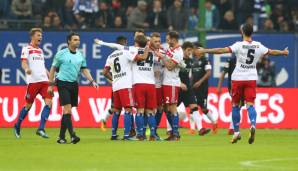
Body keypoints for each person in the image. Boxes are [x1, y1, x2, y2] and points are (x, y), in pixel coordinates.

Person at [200, 23, 289, 144]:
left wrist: (205, 50)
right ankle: (252, 124)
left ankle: (236, 133)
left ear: (242, 32)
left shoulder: (238, 45)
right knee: (250, 105)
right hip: (251, 78)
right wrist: (283, 52)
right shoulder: (258, 46)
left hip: (238, 78)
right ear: (252, 33)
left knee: (235, 106)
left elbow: (221, 50)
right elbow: (272, 52)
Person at [48, 32, 98, 144]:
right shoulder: (61, 54)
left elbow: (84, 69)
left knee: (66, 111)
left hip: (74, 84)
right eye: (75, 39)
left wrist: (92, 81)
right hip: (62, 83)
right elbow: (53, 69)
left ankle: (61, 138)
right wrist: (50, 85)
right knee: (68, 110)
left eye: (78, 39)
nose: (77, 41)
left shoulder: (80, 55)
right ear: (69, 41)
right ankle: (73, 136)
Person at [95, 29, 145, 137]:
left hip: (116, 86)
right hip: (126, 84)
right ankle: (127, 135)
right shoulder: (126, 51)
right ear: (125, 43)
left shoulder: (110, 56)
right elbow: (139, 59)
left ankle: (113, 134)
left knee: (116, 110)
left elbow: (104, 72)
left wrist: (113, 79)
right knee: (128, 110)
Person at [14, 28, 52, 139]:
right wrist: (26, 70)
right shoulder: (27, 49)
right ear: (32, 37)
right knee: (28, 106)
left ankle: (41, 129)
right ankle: (17, 125)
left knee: (49, 103)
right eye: (38, 35)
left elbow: (42, 66)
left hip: (44, 81)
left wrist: (50, 77)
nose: (40, 37)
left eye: (41, 35)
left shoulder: (40, 51)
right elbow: (24, 62)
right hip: (33, 82)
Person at [178, 41, 211, 136]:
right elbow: (173, 74)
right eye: (188, 50)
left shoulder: (191, 61)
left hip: (188, 88)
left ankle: (200, 129)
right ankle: (169, 129)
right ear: (183, 50)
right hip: (178, 87)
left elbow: (190, 75)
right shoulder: (178, 60)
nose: (190, 52)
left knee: (194, 107)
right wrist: (179, 83)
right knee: (171, 109)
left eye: (191, 50)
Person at [155, 31, 183, 141]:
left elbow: (170, 67)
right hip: (165, 82)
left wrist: (162, 57)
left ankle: (176, 134)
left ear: (174, 39)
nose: (167, 41)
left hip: (172, 83)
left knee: (172, 108)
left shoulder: (178, 52)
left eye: (168, 39)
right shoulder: (171, 49)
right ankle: (173, 132)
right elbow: (163, 49)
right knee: (166, 108)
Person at [192, 43, 218, 134]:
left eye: (195, 49)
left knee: (203, 109)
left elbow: (208, 73)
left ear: (200, 50)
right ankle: (193, 129)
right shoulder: (193, 61)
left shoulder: (205, 60)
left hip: (202, 88)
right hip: (193, 87)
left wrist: (200, 82)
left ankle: (214, 123)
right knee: (193, 107)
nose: (194, 51)